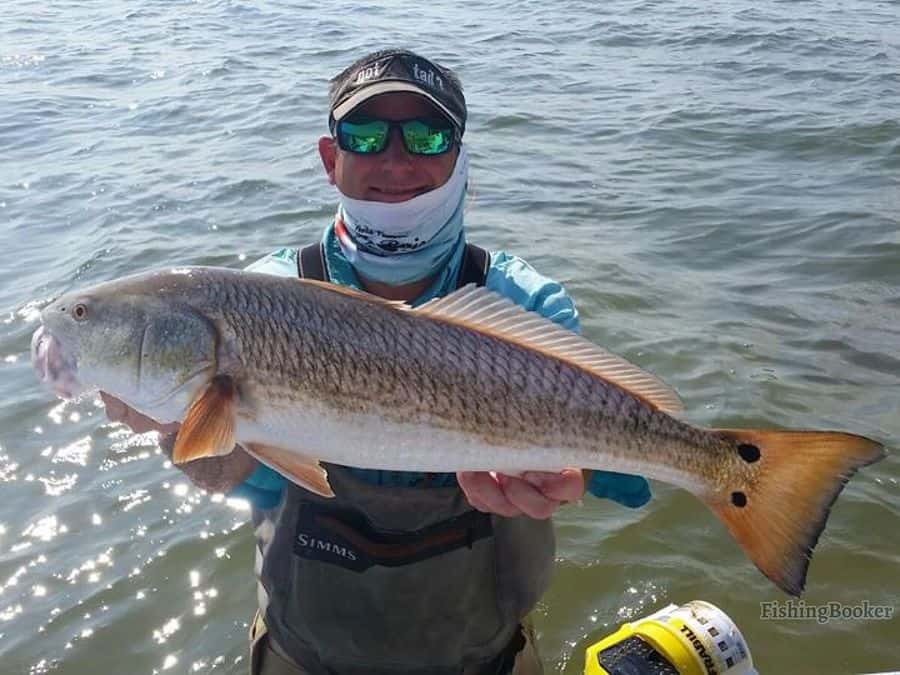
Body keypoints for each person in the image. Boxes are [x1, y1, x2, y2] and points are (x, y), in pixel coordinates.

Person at [103, 48, 652, 675]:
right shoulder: (262, 296)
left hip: (487, 657)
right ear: (331, 159)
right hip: (305, 655)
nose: (396, 161)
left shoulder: (525, 305)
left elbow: (606, 459)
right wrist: (189, 434)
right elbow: (246, 479)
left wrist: (570, 476)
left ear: (460, 157)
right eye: (365, 135)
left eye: (426, 135)